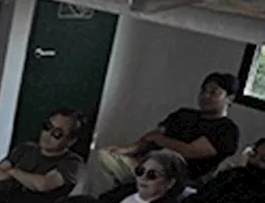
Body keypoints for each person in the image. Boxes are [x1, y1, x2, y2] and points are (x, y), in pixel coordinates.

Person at [77, 72, 241, 195]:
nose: (205, 96)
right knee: (101, 156)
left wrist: (160, 140)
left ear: (230, 98)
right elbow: (152, 135)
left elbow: (190, 151)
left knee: (167, 157)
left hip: (175, 176)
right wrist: (128, 149)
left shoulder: (227, 130)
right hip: (143, 161)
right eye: (203, 91)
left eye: (213, 92)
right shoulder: (184, 114)